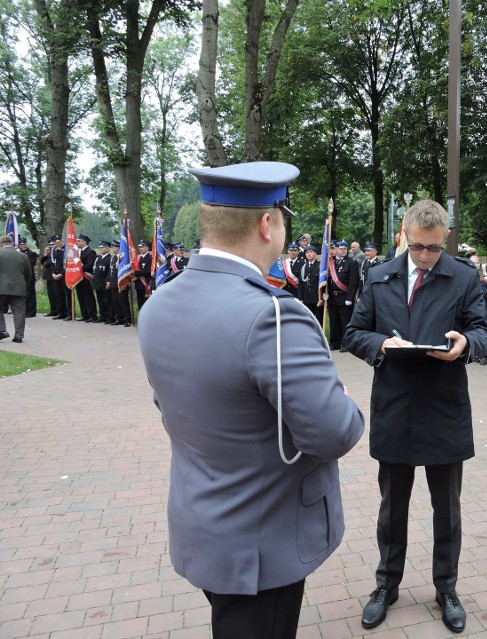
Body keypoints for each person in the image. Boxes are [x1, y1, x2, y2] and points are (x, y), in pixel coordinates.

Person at [138, 161, 365, 639]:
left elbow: (174, 408)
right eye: (282, 218)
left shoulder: (158, 303)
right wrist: (340, 398)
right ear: (267, 225)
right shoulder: (274, 316)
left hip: (203, 522)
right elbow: (334, 432)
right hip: (263, 540)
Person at [342, 199, 487, 634]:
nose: (425, 256)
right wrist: (381, 346)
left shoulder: (462, 277)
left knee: (447, 509)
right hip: (395, 404)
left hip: (443, 406)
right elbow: (354, 332)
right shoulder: (380, 275)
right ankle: (386, 585)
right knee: (392, 507)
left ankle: (446, 588)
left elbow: (483, 329)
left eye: (433, 248)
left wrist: (467, 342)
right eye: (418, 246)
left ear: (445, 239)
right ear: (404, 234)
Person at [326, 240, 358, 350]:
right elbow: (327, 280)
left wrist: (350, 298)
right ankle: (335, 342)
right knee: (334, 322)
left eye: (345, 249)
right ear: (335, 249)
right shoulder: (331, 262)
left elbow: (354, 282)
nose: (343, 251)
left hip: (344, 297)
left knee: (345, 321)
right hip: (332, 297)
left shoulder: (351, 262)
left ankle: (346, 343)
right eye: (341, 249)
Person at [0, 234, 32, 343]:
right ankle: (19, 335)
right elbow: (28, 273)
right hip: (19, 287)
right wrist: (23, 283)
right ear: (12, 243)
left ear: (1, 244)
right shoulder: (23, 256)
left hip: (1, 287)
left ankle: (2, 331)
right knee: (19, 312)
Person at [43, 235, 68, 320]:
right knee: (58, 295)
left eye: (58, 242)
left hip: (64, 275)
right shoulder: (54, 251)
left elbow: (65, 264)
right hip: (55, 275)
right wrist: (53, 273)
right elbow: (53, 264)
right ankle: (61, 312)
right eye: (55, 242)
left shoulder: (66, 250)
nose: (57, 244)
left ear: (62, 241)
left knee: (67, 295)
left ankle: (69, 312)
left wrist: (61, 273)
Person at [75, 234, 99, 322]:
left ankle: (92, 315)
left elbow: (90, 265)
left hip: (86, 278)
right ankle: (84, 314)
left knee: (88, 297)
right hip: (78, 278)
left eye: (79, 241)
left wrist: (79, 268)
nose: (77, 243)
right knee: (80, 297)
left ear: (84, 242)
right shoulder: (77, 252)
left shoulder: (90, 252)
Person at [296, 245, 322, 324]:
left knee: (318, 320)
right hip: (306, 298)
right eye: (307, 252)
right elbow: (300, 284)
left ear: (315, 254)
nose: (309, 254)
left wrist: (322, 298)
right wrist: (300, 298)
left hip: (317, 298)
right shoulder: (303, 267)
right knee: (307, 320)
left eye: (311, 252)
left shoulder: (320, 266)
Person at [92, 240, 114, 323]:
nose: (101, 249)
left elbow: (109, 271)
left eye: (103, 247)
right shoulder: (98, 258)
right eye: (100, 247)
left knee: (107, 301)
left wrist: (108, 281)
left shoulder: (110, 258)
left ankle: (109, 316)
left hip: (104, 282)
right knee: (100, 300)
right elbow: (95, 269)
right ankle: (102, 316)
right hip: (98, 282)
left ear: (108, 249)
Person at [17, 236, 37, 317]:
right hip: (20, 277)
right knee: (22, 295)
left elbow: (30, 264)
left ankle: (31, 312)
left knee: (30, 295)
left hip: (29, 277)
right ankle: (24, 311)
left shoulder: (31, 254)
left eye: (24, 244)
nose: (23, 245)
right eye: (21, 244)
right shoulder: (17, 253)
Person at [134, 240, 153, 310]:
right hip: (139, 283)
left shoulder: (150, 258)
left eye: (143, 247)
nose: (141, 249)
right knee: (140, 302)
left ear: (147, 248)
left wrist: (136, 272)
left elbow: (147, 271)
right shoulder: (137, 258)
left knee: (147, 303)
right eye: (140, 247)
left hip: (147, 283)